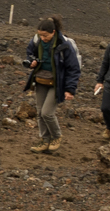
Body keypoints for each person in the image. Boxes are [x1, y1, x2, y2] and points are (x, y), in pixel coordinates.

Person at [22, 17, 81, 153]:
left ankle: (56, 136)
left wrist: (70, 89)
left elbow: (73, 68)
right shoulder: (36, 40)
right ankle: (44, 140)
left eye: (46, 35)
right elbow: (30, 52)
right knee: (39, 113)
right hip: (40, 80)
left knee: (47, 113)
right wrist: (32, 61)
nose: (43, 38)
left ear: (53, 32)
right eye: (40, 35)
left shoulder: (64, 44)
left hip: (56, 83)